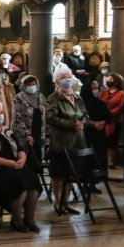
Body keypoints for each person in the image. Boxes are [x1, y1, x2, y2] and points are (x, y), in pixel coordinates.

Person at [0, 101, 41, 233]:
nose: (0, 115)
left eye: (2, 112)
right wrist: (7, 162)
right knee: (19, 181)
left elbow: (20, 149)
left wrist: (22, 158)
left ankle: (29, 219)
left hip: (13, 166)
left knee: (32, 178)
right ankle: (16, 219)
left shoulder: (7, 130)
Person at [46, 67, 88, 216]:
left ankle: (66, 202)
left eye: (69, 77)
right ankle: (58, 202)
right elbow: (51, 118)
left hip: (78, 141)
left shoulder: (78, 97)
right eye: (63, 77)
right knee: (59, 174)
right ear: (57, 81)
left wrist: (83, 123)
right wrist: (71, 124)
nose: (67, 80)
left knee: (71, 174)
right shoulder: (53, 98)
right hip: (61, 142)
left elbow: (85, 115)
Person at [10, 74, 46, 170]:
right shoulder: (18, 98)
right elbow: (16, 119)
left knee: (38, 162)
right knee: (28, 163)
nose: (31, 86)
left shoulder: (41, 97)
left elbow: (44, 114)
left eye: (33, 84)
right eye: (28, 84)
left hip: (39, 132)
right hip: (24, 135)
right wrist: (26, 134)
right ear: (24, 86)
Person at [99, 72, 124, 167]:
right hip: (102, 120)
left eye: (110, 80)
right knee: (103, 141)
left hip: (114, 120)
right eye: (107, 79)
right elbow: (99, 102)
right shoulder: (103, 91)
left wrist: (110, 113)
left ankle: (110, 160)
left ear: (116, 81)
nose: (108, 81)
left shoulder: (121, 94)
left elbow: (121, 106)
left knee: (112, 141)